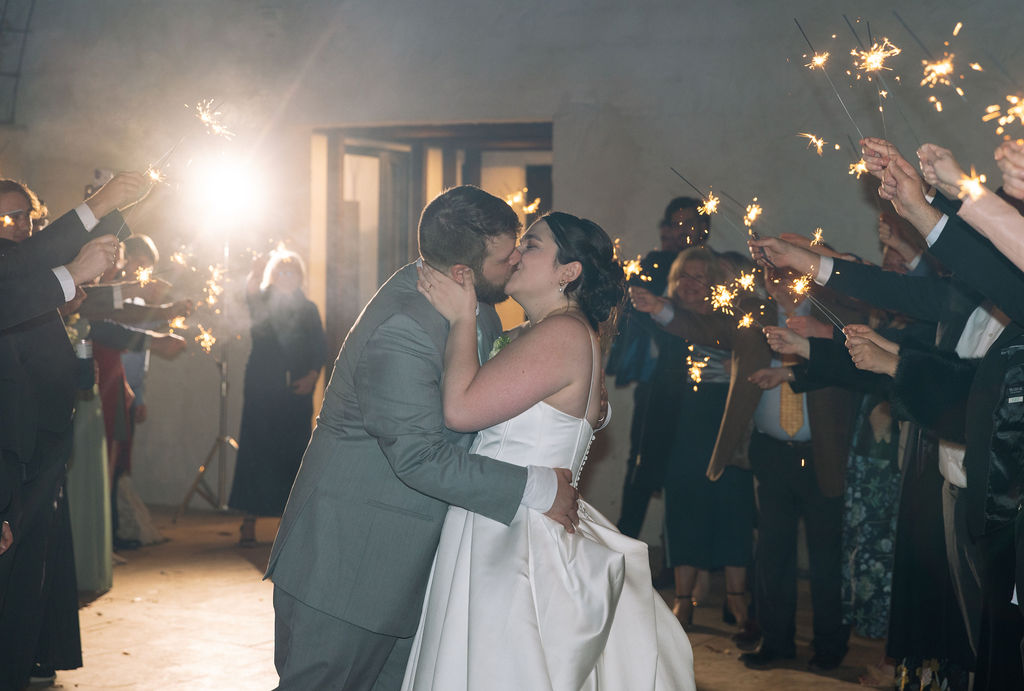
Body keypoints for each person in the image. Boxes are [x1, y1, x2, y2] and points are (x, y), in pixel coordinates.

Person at [265, 186, 580, 690]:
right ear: (462, 272)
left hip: (405, 563)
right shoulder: (405, 328)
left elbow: (483, 401)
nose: (517, 259)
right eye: (506, 256)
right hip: (350, 562)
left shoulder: (475, 307)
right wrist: (537, 488)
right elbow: (419, 457)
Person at [403, 211, 695, 690]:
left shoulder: (562, 334)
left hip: (515, 535)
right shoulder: (537, 332)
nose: (516, 254)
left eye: (532, 245)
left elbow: (460, 409)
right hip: (501, 512)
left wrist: (461, 316)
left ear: (569, 271)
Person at [0, 172, 147, 690]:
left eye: (25, 217)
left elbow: (29, 263)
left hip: (37, 440)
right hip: (13, 445)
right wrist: (80, 255)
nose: (19, 227)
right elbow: (20, 276)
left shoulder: (19, 261)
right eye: (7, 218)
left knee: (31, 566)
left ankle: (28, 661)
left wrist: (115, 207)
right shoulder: (12, 268)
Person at [229, 249, 326, 545]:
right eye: (281, 272)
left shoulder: (308, 308)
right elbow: (250, 296)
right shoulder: (263, 301)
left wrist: (312, 375)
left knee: (292, 451)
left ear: (299, 276)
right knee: (256, 450)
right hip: (262, 389)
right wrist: (255, 275)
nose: (287, 277)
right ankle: (249, 521)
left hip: (296, 391)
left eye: (292, 272)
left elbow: (319, 347)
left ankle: (290, 524)